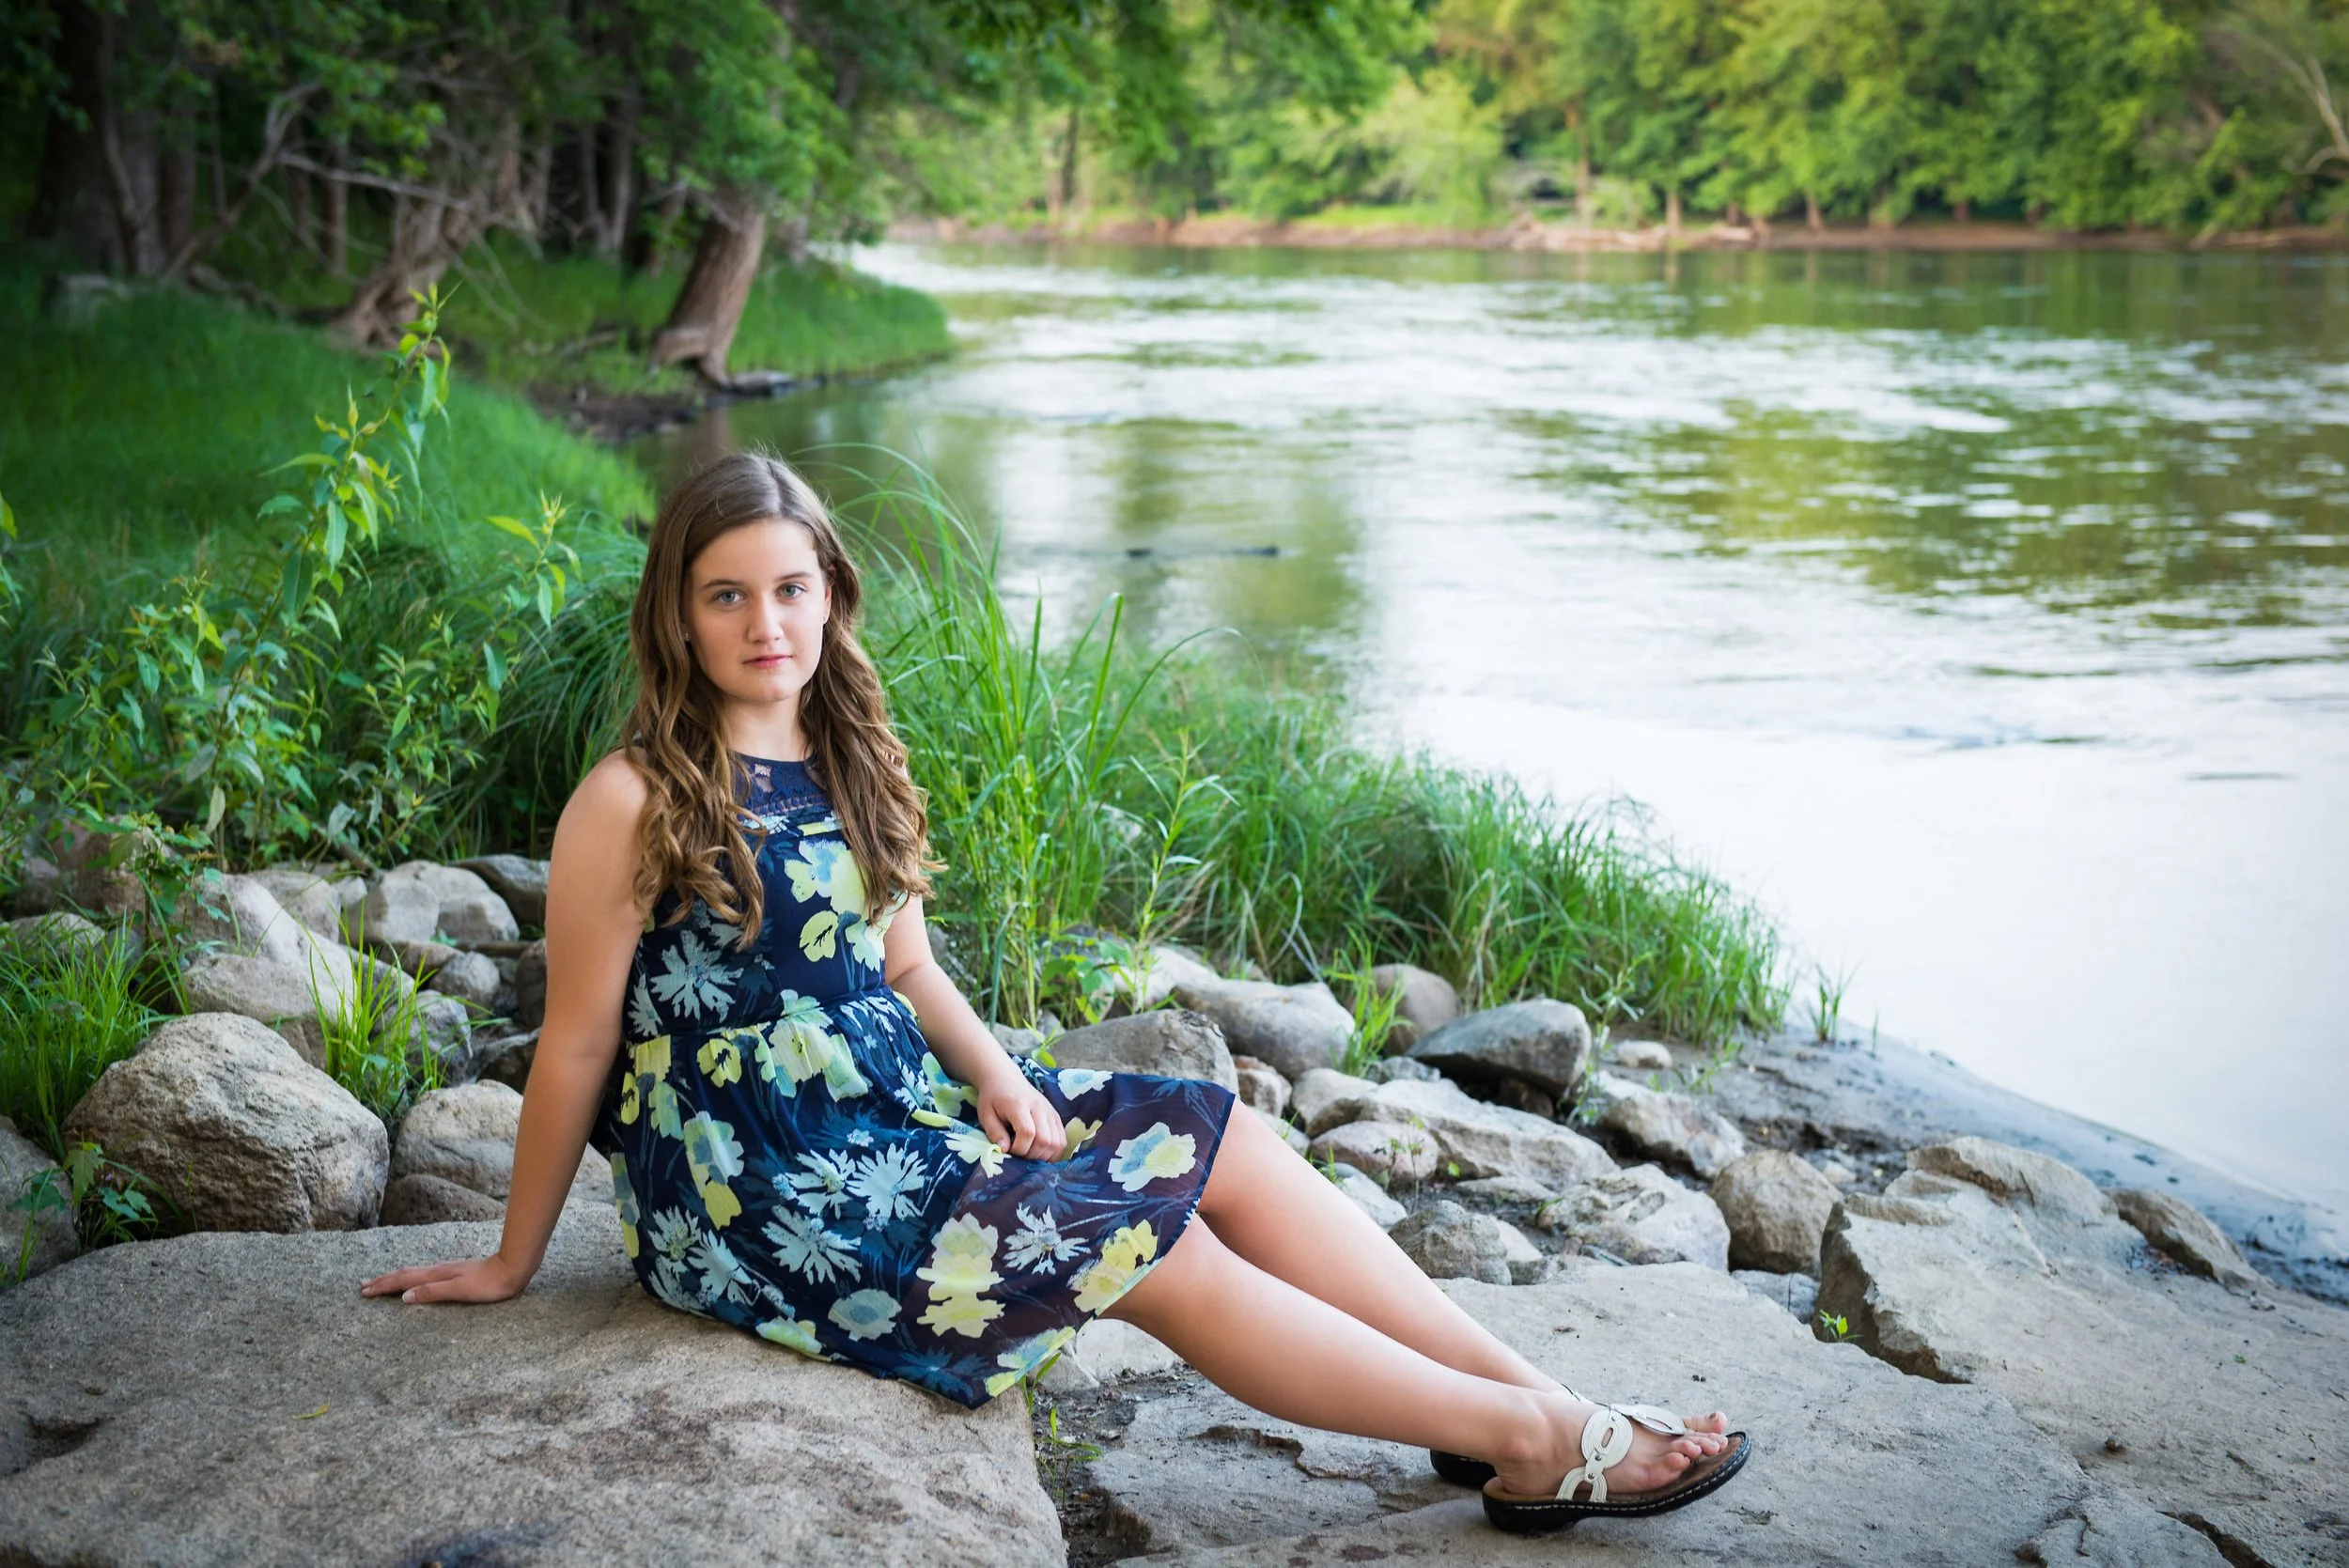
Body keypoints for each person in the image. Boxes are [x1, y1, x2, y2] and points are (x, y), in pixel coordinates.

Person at [360, 452, 1749, 1531]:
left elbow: (900, 962)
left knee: (1226, 1138)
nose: (763, 622)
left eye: (789, 589)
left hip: (896, 1114)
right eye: (726, 593)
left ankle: (1521, 1399)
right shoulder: (633, 798)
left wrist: (1000, 1076)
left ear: (832, 595)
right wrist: (514, 1259)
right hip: (760, 1188)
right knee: (1141, 1244)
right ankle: (1536, 1453)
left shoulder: (845, 753)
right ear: (678, 610)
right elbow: (581, 1041)